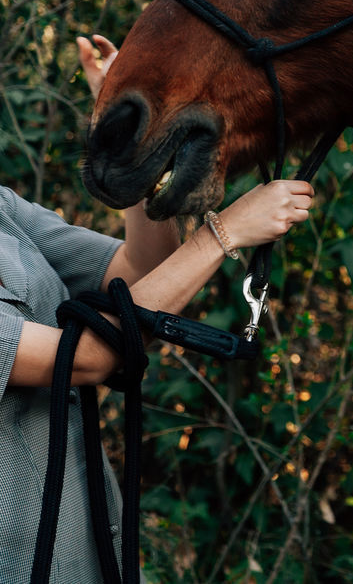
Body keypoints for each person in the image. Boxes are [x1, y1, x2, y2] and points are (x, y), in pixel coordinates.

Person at [0, 35, 315, 582]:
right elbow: (88, 357)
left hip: (95, 552)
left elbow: (138, 276)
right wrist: (224, 232)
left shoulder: (3, 212)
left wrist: (131, 144)